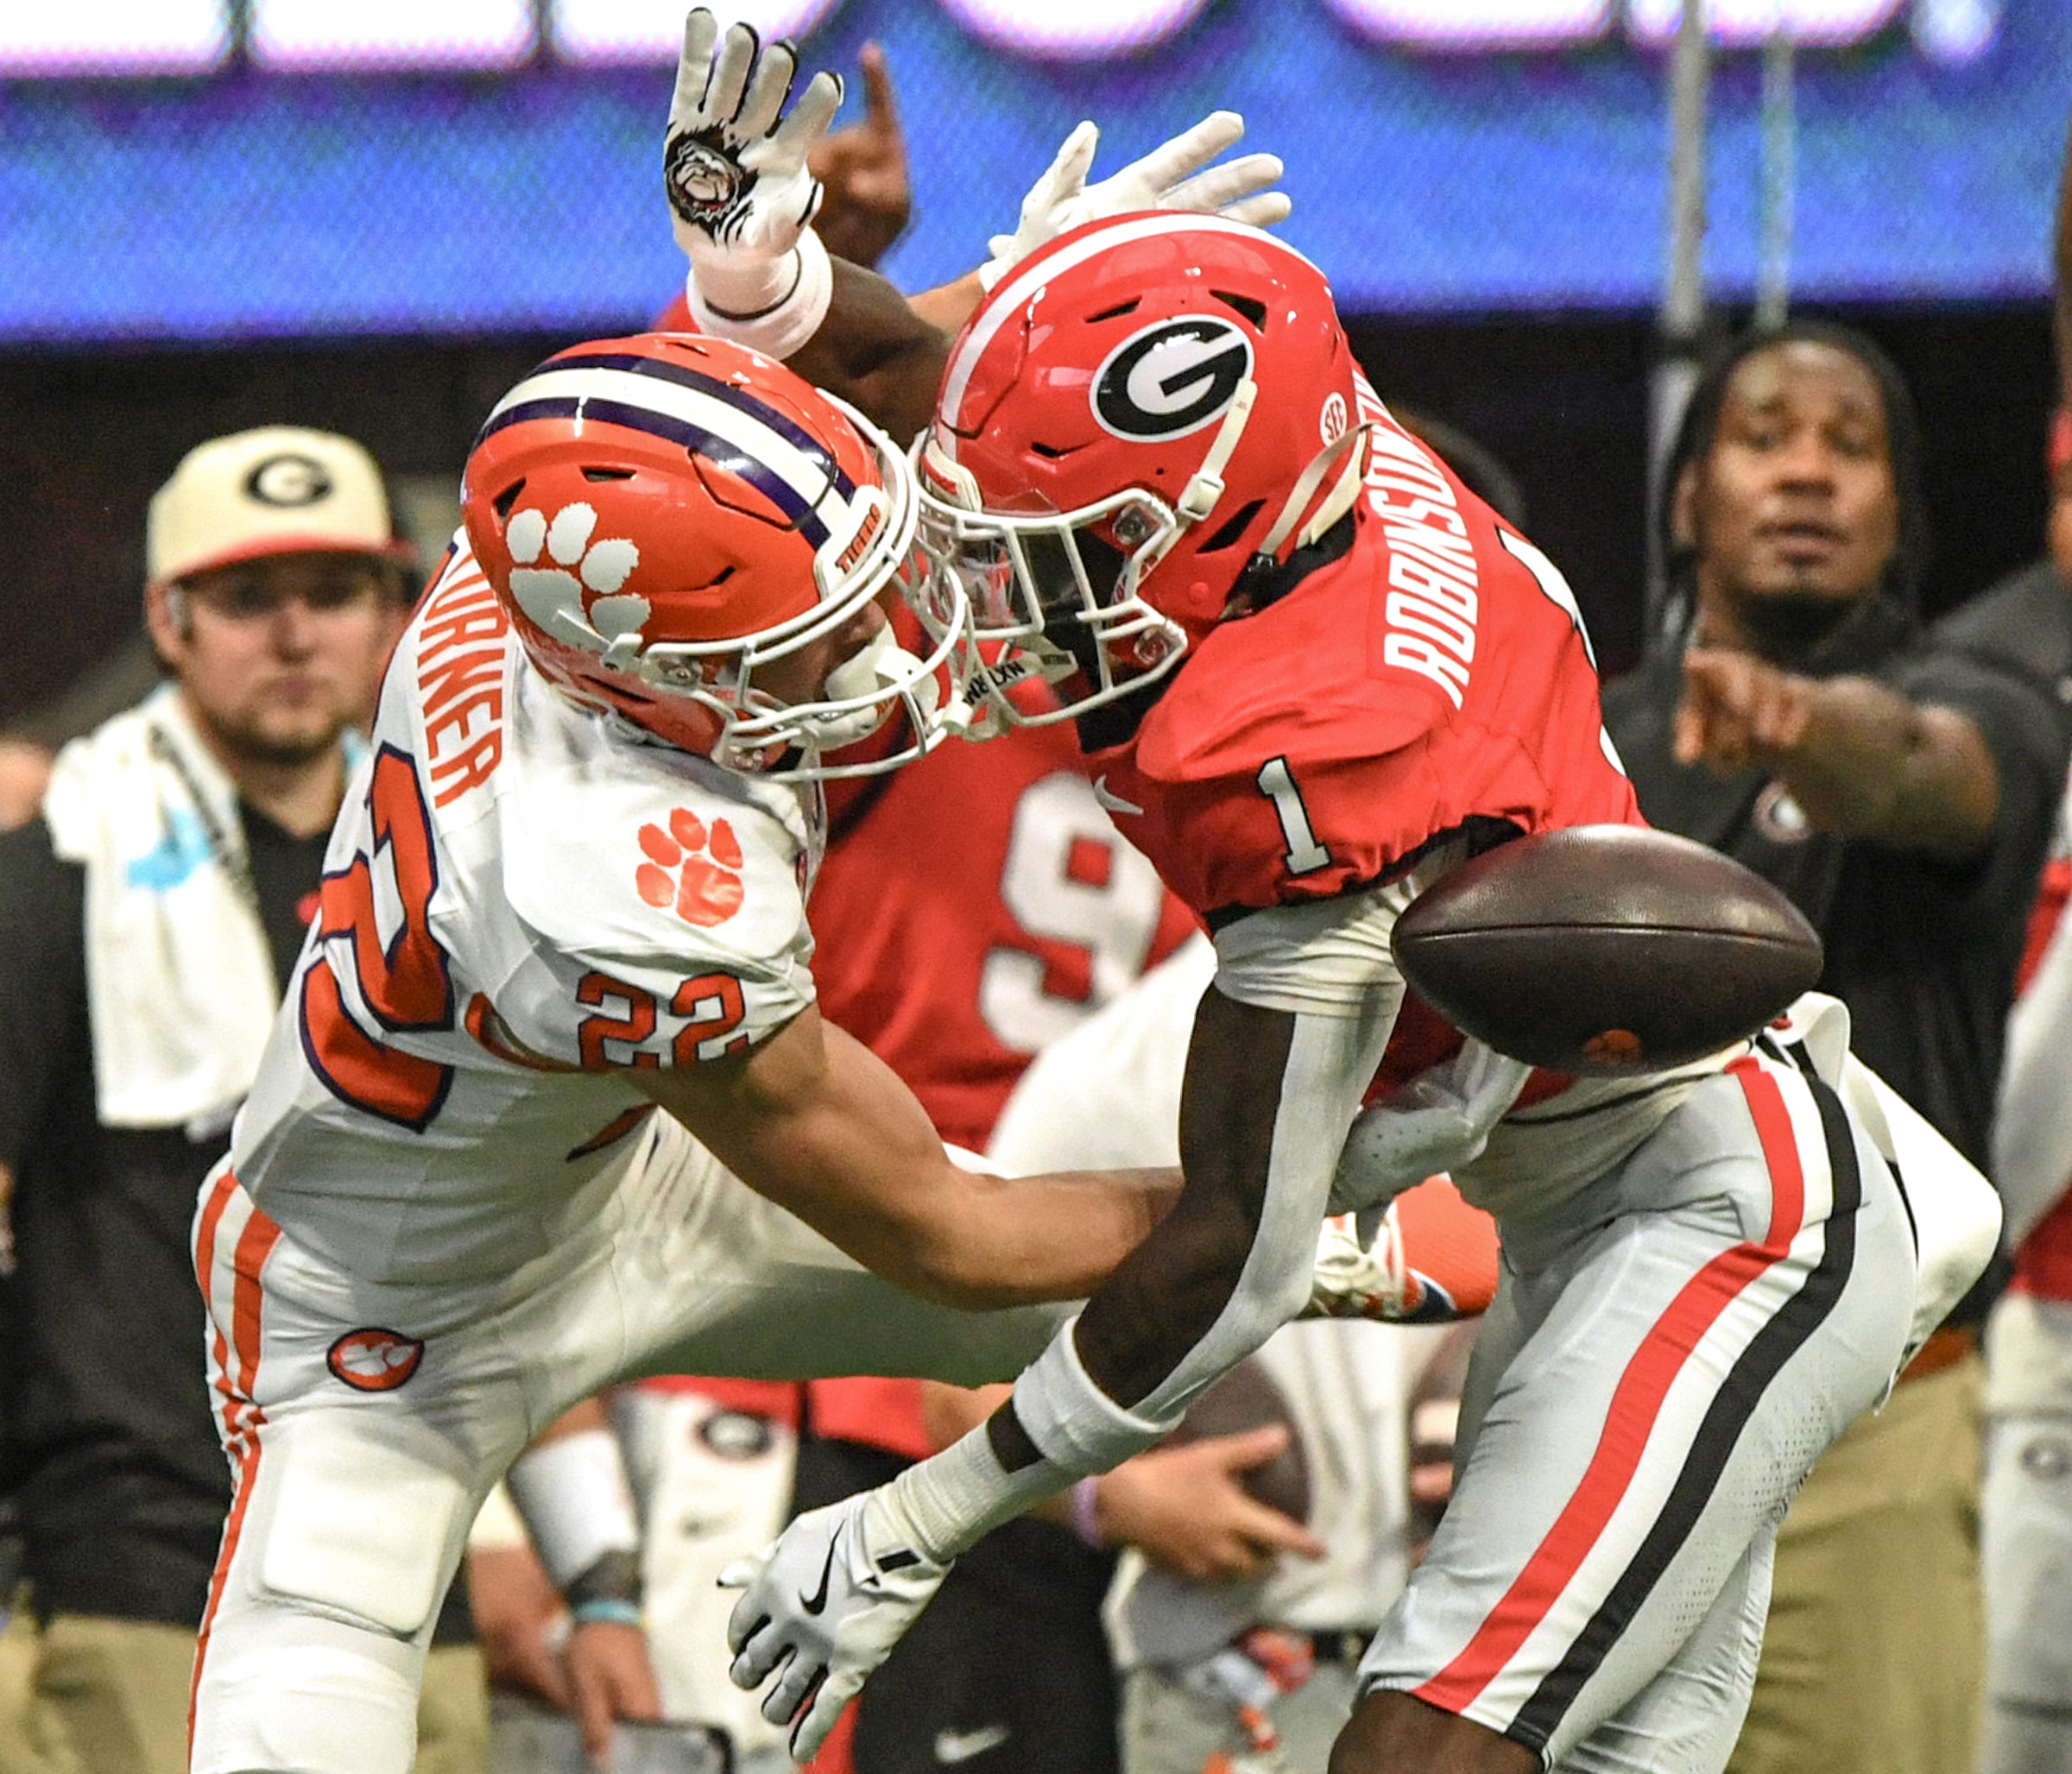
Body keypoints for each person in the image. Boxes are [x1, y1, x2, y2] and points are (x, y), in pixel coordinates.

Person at [701, 196, 1935, 1774]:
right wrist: (773, 287)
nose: (1011, 588)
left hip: (1708, 1219)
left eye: (1078, 556)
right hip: (1591, 1214)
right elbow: (955, 373)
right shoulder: (1323, 453)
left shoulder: (1307, 772)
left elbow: (1236, 1252)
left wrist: (914, 1523)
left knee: (1416, 1753)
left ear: (1211, 531)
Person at [1598, 319, 2069, 1774]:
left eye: (1848, 449)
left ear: (1901, 515)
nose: (1805, 474)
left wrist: (1806, 727)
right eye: (1764, 438)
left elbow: (1916, 769)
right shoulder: (1591, 752)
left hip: (1863, 1438)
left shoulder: (1986, 712)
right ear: (1688, 497)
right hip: (1600, 1412)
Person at [0, 426, 490, 1774]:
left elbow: (511, 1237)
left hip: (409, 1577)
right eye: (245, 598)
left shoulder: (462, 901)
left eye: (334, 594)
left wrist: (588, 1570)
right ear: (167, 622)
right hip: (140, 1578)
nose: (293, 636)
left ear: (396, 617)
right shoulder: (53, 880)